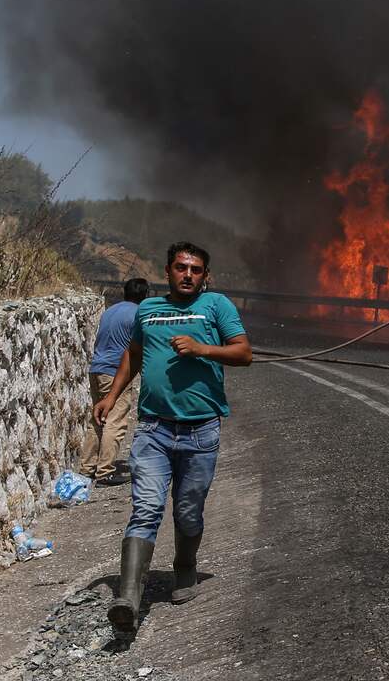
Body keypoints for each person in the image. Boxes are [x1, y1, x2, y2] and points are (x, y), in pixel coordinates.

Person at [93, 241, 252, 637]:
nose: (188, 275)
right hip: (153, 429)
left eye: (196, 269)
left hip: (201, 431)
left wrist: (202, 349)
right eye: (181, 267)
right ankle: (127, 598)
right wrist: (111, 396)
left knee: (188, 511)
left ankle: (185, 567)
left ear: (205, 275)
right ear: (167, 271)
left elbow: (244, 353)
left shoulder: (217, 306)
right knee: (145, 508)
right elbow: (133, 352)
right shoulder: (147, 310)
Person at [81, 277, 150, 486]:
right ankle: (105, 472)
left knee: (98, 419)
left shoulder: (109, 311)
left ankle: (87, 468)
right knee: (115, 421)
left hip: (96, 369)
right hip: (114, 372)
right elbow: (139, 348)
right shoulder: (138, 315)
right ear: (145, 296)